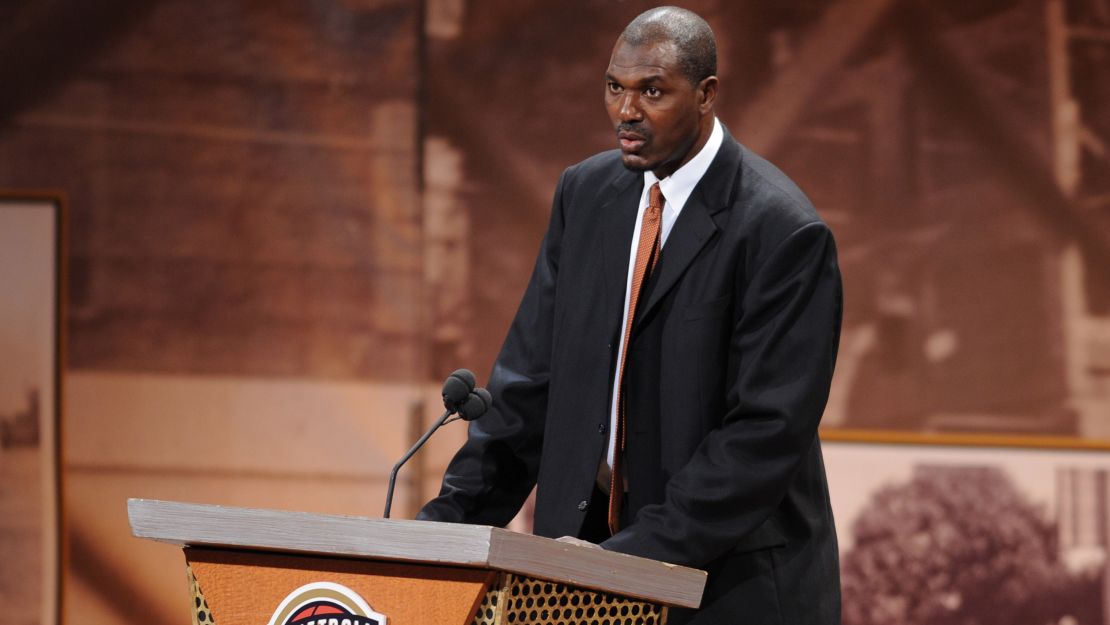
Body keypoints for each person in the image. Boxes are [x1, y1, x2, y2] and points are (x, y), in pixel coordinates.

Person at [418, 6, 842, 624]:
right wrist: (434, 540)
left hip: (729, 590)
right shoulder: (584, 196)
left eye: (652, 91)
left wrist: (624, 562)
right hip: (580, 575)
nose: (626, 111)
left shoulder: (783, 231)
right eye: (615, 87)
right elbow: (529, 386)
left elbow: (762, 438)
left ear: (706, 95)